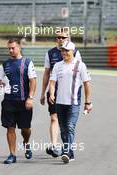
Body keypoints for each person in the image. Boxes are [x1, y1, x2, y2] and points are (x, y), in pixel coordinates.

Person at [40, 29, 82, 157]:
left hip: (70, 93)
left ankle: (67, 148)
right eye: (58, 37)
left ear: (68, 38)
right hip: (54, 91)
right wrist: (43, 93)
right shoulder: (50, 53)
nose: (61, 39)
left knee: (67, 124)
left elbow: (79, 71)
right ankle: (54, 145)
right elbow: (47, 73)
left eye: (63, 37)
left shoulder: (75, 52)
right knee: (54, 117)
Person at [49, 41, 92, 163]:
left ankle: (67, 151)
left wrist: (88, 102)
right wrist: (51, 94)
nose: (64, 53)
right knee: (63, 129)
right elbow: (52, 82)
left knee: (70, 126)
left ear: (73, 51)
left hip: (74, 103)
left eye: (67, 50)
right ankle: (70, 154)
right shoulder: (57, 65)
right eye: (62, 50)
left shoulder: (80, 66)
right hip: (60, 103)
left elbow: (86, 83)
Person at [0, 38, 37, 164]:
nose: (10, 50)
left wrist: (30, 98)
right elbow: (1, 80)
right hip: (9, 101)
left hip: (24, 101)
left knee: (25, 128)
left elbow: (33, 81)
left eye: (13, 48)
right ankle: (12, 154)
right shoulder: (5, 64)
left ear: (19, 47)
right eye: (8, 48)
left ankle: (26, 143)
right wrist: (1, 82)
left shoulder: (27, 62)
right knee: (10, 128)